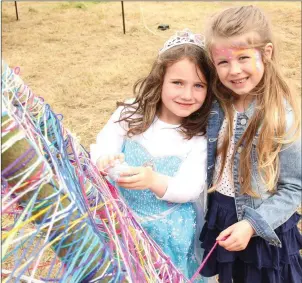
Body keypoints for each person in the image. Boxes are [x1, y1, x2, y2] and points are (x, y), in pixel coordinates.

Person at [90, 29, 214, 280]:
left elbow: (191, 187)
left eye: (198, 86)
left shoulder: (197, 136)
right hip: (122, 220)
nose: (187, 95)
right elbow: (103, 144)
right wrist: (105, 160)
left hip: (168, 231)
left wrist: (153, 180)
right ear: (160, 80)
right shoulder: (131, 113)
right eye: (177, 83)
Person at [199, 5, 302, 283]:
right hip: (222, 214)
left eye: (243, 57)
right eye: (223, 62)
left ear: (266, 54)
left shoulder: (281, 115)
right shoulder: (218, 104)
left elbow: (294, 187)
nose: (234, 70)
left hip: (262, 227)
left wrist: (251, 225)